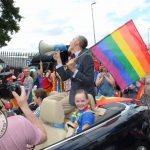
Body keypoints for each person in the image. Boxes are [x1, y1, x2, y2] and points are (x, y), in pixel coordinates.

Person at [50, 35, 94, 114]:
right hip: (71, 92)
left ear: (77, 43)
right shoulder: (73, 59)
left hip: (80, 97)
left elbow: (89, 81)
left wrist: (73, 69)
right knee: (48, 100)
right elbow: (64, 77)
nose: (70, 41)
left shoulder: (86, 57)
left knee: (54, 107)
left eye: (73, 39)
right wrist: (58, 60)